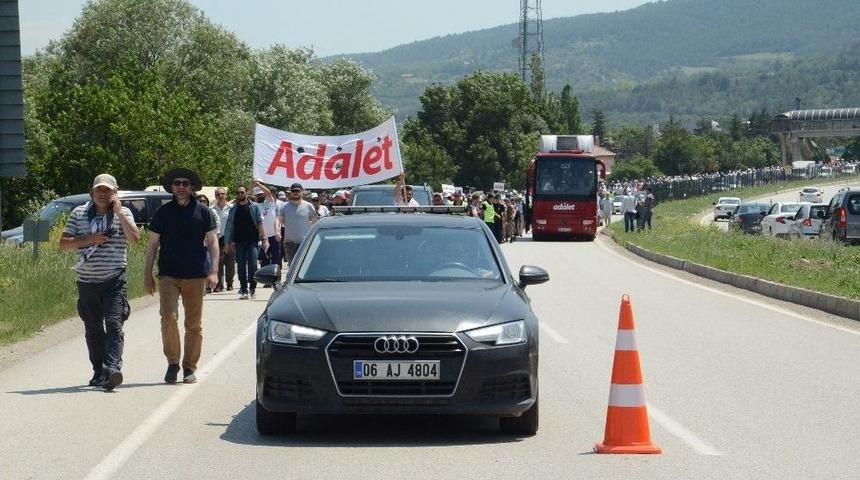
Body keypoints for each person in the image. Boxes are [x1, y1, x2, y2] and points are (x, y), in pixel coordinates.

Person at [60, 174, 140, 391]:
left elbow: (135, 239)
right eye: (99, 190)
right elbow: (64, 244)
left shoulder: (124, 213)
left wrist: (120, 212)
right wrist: (89, 240)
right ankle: (98, 372)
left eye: (108, 190)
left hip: (114, 279)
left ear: (115, 193)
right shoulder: (78, 213)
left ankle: (113, 368)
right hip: (86, 281)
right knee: (93, 329)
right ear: (92, 192)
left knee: (114, 325)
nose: (103, 194)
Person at [144, 168, 219, 385]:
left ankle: (189, 367)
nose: (181, 186)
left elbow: (213, 242)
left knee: (193, 324)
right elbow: (152, 245)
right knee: (168, 317)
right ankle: (172, 362)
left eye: (185, 183)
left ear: (192, 187)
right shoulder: (163, 213)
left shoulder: (204, 212)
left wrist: (213, 271)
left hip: (196, 275)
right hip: (168, 274)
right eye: (177, 183)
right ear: (172, 187)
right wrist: (147, 274)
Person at [223, 184, 267, 300]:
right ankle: (243, 289)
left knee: (253, 264)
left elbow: (260, 223)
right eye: (238, 193)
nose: (240, 194)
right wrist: (227, 242)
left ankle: (252, 287)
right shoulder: (233, 209)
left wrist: (264, 239)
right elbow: (229, 226)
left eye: (242, 192)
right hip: (239, 241)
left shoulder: (254, 207)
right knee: (241, 266)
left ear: (247, 193)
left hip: (253, 240)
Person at [279, 182, 319, 266]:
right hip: (289, 243)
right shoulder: (284, 206)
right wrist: (277, 232)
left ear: (302, 191)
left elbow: (315, 221)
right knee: (292, 267)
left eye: (297, 190)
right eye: (293, 191)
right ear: (291, 192)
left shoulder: (309, 206)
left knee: (304, 266)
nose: (295, 192)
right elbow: (280, 221)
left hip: (304, 242)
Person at [252, 180, 282, 287]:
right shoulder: (254, 206)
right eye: (258, 195)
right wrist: (252, 187)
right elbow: (246, 196)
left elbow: (268, 192)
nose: (260, 196)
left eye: (261, 194)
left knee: (276, 258)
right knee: (264, 259)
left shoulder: (270, 202)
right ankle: (267, 281)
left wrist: (259, 184)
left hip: (273, 235)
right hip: (262, 237)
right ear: (255, 196)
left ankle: (277, 279)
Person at [211, 187, 235, 292]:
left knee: (230, 262)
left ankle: (229, 283)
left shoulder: (232, 208)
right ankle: (219, 285)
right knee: (218, 261)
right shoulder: (211, 209)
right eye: (218, 194)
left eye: (222, 194)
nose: (220, 196)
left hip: (229, 237)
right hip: (217, 237)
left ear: (226, 195)